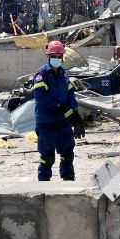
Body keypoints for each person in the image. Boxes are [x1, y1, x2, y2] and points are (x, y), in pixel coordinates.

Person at [32, 40, 85, 181]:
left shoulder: (64, 75)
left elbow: (70, 96)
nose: (57, 58)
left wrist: (75, 115)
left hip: (63, 123)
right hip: (46, 122)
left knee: (68, 154)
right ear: (48, 56)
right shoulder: (41, 74)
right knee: (47, 157)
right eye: (54, 56)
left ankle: (68, 181)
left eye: (59, 56)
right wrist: (62, 108)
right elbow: (42, 98)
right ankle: (43, 186)